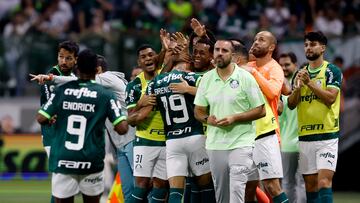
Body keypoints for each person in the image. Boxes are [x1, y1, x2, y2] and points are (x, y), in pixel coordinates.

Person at [31, 54, 136, 201]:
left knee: (61, 199)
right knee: (129, 189)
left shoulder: (64, 91)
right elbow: (122, 128)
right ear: (95, 69)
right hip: (93, 158)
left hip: (66, 157)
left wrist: (51, 79)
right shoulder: (105, 95)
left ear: (78, 69)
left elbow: (41, 118)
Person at [194, 39, 266, 203]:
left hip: (241, 142)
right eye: (217, 50)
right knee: (221, 194)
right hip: (215, 144)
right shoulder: (207, 79)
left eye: (224, 50)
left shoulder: (245, 78)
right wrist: (208, 119)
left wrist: (235, 118)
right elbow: (198, 111)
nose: (219, 53)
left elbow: (261, 110)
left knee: (236, 189)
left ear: (232, 55)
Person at [288, 31, 342, 203]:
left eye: (312, 44)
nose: (308, 48)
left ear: (323, 47)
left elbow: (330, 99)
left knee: (324, 182)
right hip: (305, 137)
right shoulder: (299, 74)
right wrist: (298, 88)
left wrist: (309, 83)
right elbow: (291, 104)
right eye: (306, 45)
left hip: (327, 136)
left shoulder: (331, 71)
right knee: (310, 187)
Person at [243, 31, 289, 203]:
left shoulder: (275, 68)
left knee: (272, 186)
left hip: (266, 133)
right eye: (254, 39)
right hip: (246, 134)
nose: (255, 42)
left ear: (271, 47)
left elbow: (272, 92)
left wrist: (254, 73)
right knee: (248, 187)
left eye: (261, 40)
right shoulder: (248, 65)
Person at [125, 44, 168, 203]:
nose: (148, 58)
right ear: (139, 62)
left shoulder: (166, 77)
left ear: (157, 56)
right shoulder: (134, 86)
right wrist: (140, 104)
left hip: (167, 141)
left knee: (161, 184)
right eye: (143, 57)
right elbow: (130, 120)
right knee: (141, 185)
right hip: (145, 141)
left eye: (151, 54)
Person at [39, 40, 79, 157]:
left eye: (68, 58)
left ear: (76, 59)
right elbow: (48, 105)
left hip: (70, 132)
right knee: (59, 171)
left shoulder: (74, 77)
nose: (63, 61)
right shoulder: (50, 76)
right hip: (52, 132)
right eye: (61, 57)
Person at [278, 52, 306, 203]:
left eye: (287, 64)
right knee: (299, 182)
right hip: (292, 141)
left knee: (289, 182)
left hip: (290, 142)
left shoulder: (278, 86)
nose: (283, 68)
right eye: (281, 65)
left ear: (295, 64)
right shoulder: (304, 83)